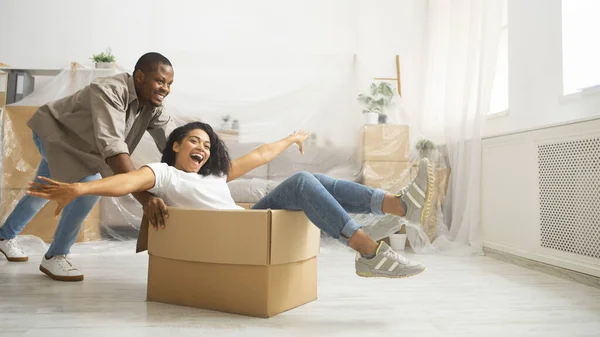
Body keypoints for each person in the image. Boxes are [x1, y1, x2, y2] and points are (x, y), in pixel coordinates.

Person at [27, 122, 435, 279]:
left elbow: (259, 157)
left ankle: (398, 204)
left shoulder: (215, 174)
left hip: (248, 227)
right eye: (193, 142)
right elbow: (127, 180)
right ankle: (367, 250)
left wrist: (291, 139)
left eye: (206, 144)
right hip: (235, 238)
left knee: (313, 180)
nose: (201, 149)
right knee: (303, 181)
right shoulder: (164, 172)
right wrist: (80, 188)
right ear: (175, 146)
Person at [0, 52, 177, 282]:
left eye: (170, 84)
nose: (165, 88)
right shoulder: (109, 90)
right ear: (140, 76)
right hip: (58, 135)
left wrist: (201, 165)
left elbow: (175, 144)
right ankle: (56, 256)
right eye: (160, 81)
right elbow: (114, 149)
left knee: (46, 191)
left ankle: (5, 236)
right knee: (90, 189)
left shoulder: (154, 106)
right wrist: (144, 198)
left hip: (87, 150)